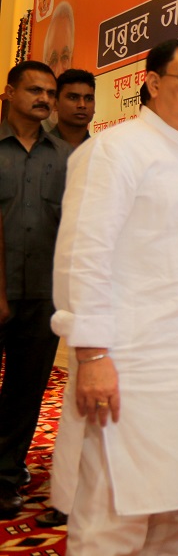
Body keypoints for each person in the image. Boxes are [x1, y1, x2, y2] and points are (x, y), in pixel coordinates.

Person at [48, 38, 178, 555]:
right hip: (131, 367)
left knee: (172, 510)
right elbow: (84, 256)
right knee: (112, 519)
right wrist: (91, 353)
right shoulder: (116, 150)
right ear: (154, 83)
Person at [0, 61, 71, 518]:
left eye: (49, 92)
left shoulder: (66, 156)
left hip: (44, 295)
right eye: (34, 90)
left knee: (26, 392)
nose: (44, 99)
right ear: (8, 92)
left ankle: (6, 477)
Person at [49, 69, 95, 148]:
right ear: (55, 104)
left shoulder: (100, 152)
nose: (82, 105)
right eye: (73, 97)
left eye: (89, 99)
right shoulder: (37, 149)